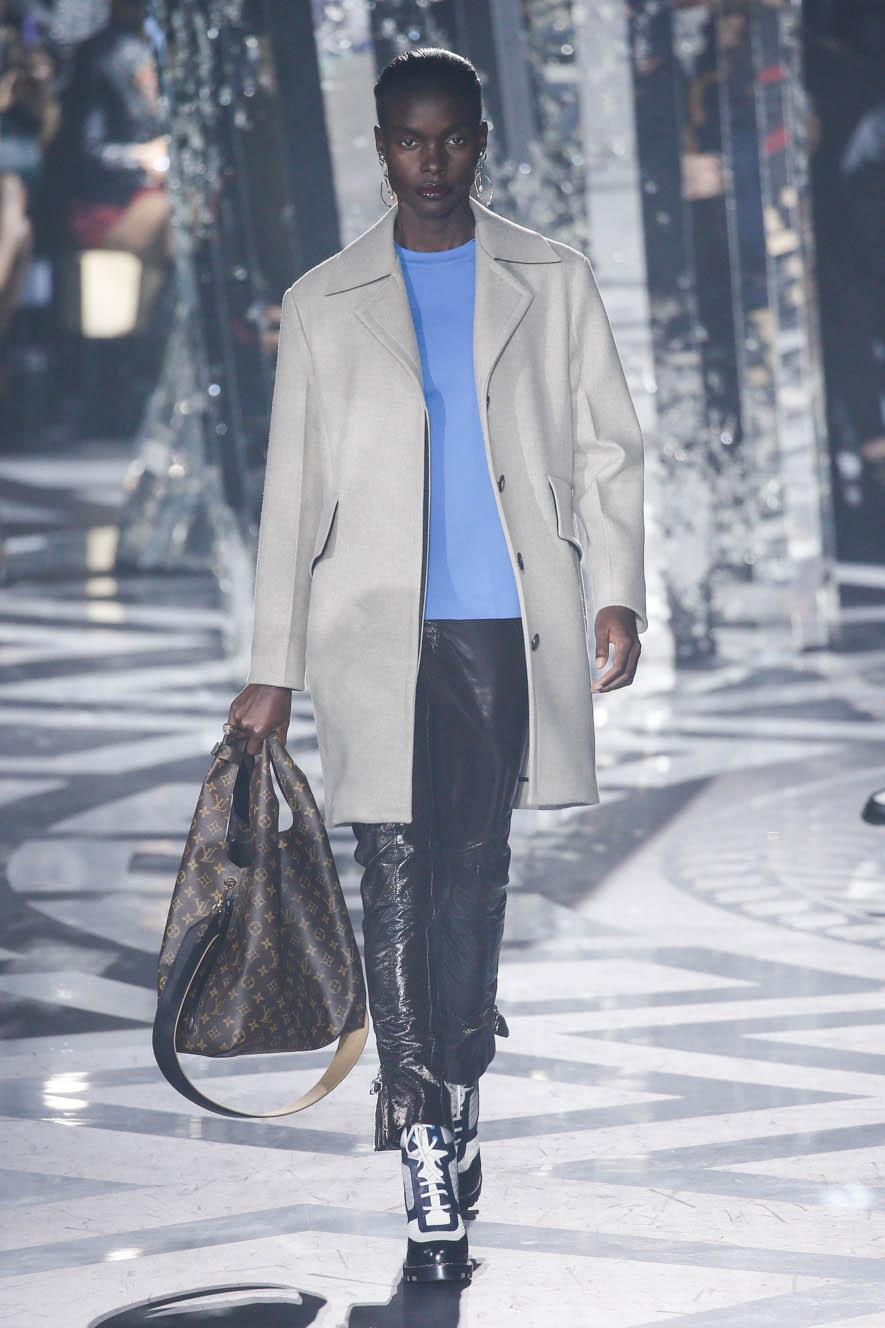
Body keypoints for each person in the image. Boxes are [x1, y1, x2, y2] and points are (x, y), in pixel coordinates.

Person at [226, 47, 646, 1287]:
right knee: (396, 871)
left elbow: (609, 447)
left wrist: (615, 587)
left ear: (480, 141)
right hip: (370, 625)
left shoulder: (550, 278)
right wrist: (272, 661)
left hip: (504, 621)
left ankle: (459, 1085)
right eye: (409, 139)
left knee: (472, 872)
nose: (431, 161)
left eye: (452, 137)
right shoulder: (323, 300)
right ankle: (416, 1127)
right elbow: (292, 491)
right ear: (378, 145)